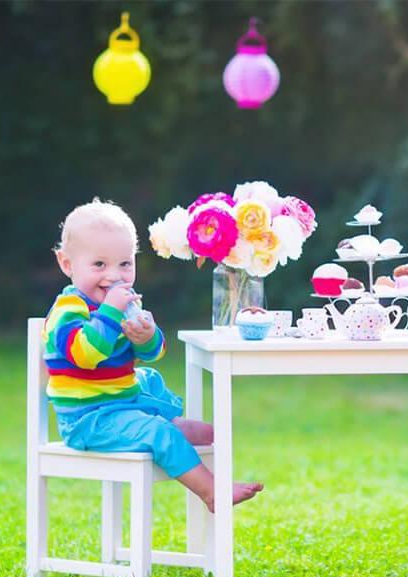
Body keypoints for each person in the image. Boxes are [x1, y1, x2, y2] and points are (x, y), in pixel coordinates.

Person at [43, 199, 263, 512]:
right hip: (88, 419)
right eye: (99, 265)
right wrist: (110, 312)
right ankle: (212, 491)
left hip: (121, 403)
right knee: (159, 433)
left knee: (153, 383)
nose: (114, 275)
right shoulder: (69, 310)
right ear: (67, 265)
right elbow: (86, 355)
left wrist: (146, 336)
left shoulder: (121, 304)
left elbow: (153, 353)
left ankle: (172, 422)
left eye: (125, 264)